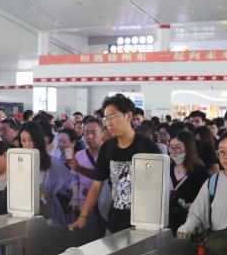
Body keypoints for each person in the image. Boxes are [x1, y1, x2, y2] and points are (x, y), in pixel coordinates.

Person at [69, 94, 159, 234]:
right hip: (115, 221)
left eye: (113, 116)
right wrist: (83, 216)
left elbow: (158, 187)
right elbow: (96, 185)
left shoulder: (146, 146)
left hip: (143, 223)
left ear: (128, 116)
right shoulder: (108, 147)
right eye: (106, 118)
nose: (108, 122)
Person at [20, 121, 76, 226]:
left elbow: (71, 179)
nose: (27, 144)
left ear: (38, 139)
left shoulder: (50, 161)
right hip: (27, 213)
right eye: (23, 140)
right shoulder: (19, 161)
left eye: (30, 140)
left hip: (49, 212)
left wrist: (75, 198)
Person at [65, 117, 107, 239]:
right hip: (84, 205)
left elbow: (101, 175)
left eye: (93, 133)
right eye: (86, 133)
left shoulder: (109, 153)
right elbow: (74, 178)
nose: (89, 136)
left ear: (102, 133)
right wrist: (75, 197)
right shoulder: (79, 155)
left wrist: (77, 167)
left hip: (104, 205)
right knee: (87, 239)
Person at [167, 131, 209, 233]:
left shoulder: (199, 171)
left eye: (178, 147)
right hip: (168, 222)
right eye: (171, 147)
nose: (174, 151)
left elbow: (206, 198)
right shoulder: (166, 168)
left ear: (188, 148)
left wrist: (194, 205)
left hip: (189, 224)